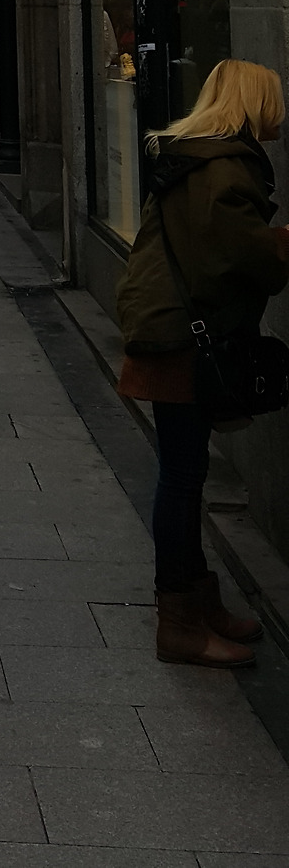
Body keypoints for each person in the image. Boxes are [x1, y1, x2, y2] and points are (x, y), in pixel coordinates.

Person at [116, 59, 289, 668]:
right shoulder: (223, 169)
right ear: (254, 102)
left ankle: (198, 601)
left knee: (184, 474)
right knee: (183, 477)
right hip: (179, 336)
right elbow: (241, 256)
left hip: (166, 325)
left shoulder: (197, 156)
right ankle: (179, 623)